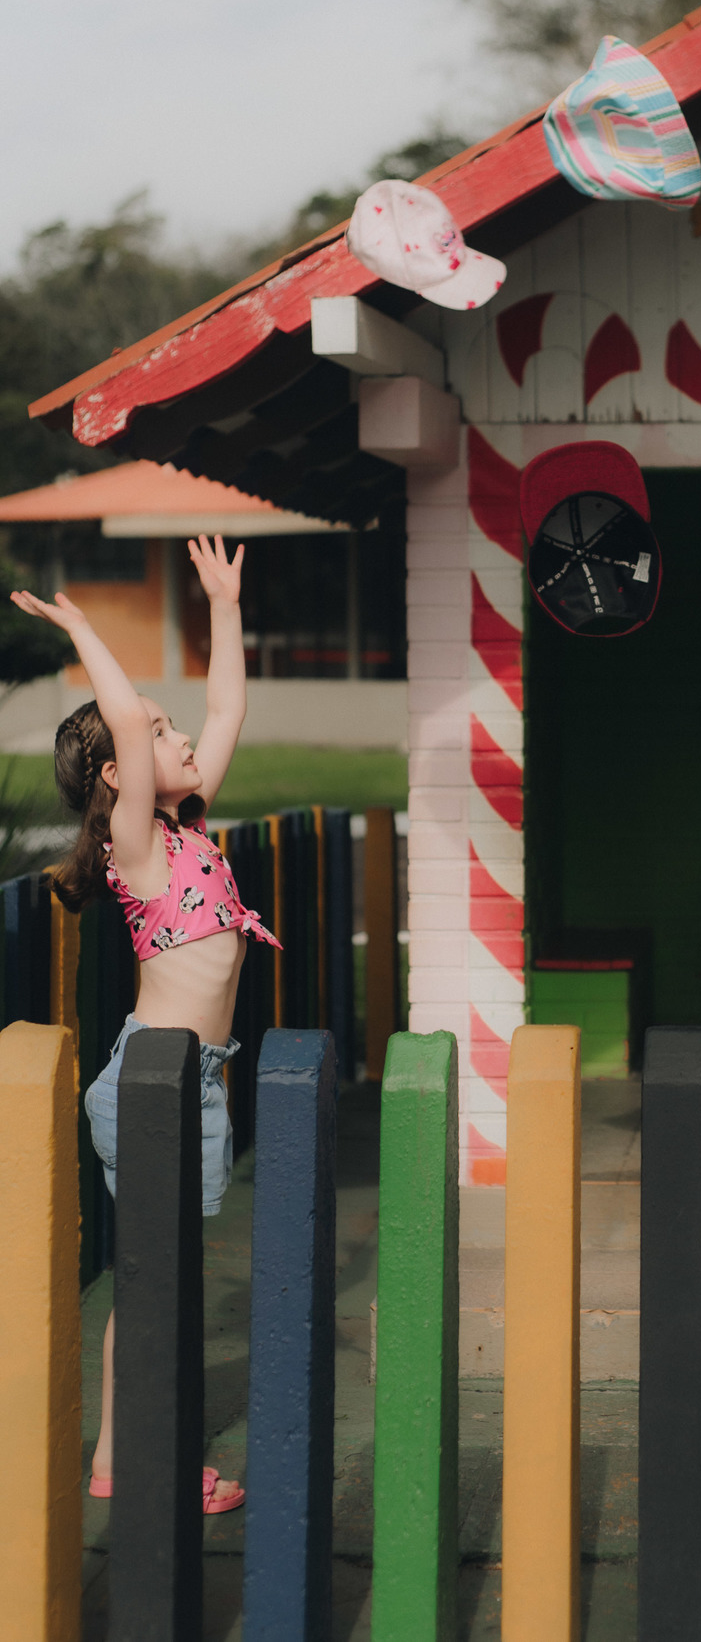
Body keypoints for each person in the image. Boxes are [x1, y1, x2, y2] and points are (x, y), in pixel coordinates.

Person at [13, 535, 281, 1517]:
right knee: (154, 1282)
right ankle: (134, 1462)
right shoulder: (136, 849)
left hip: (191, 1079)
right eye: (158, 735)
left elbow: (229, 709)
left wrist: (225, 606)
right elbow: (125, 715)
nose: (177, 736)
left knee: (157, 1279)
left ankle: (121, 1457)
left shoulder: (188, 831)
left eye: (169, 729)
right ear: (115, 776)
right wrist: (84, 626)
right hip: (153, 1084)